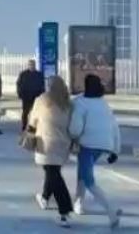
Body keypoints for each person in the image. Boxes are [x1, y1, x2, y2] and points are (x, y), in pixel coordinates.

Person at [69, 74, 122, 229]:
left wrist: (71, 136)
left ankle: (111, 211)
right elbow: (114, 126)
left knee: (89, 181)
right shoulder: (103, 103)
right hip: (105, 145)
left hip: (87, 146)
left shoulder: (80, 103)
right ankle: (78, 203)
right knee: (83, 173)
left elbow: (75, 129)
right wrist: (115, 150)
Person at [29, 76, 74, 227]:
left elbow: (33, 121)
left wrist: (29, 135)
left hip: (46, 143)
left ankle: (65, 211)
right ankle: (44, 197)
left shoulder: (42, 100)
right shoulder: (68, 103)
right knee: (52, 171)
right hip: (63, 143)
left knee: (53, 175)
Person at [17, 59, 45, 131]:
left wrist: (42, 95)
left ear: (35, 65)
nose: (32, 66)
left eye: (33, 65)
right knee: (25, 112)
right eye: (30, 65)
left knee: (35, 112)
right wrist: (20, 93)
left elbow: (42, 85)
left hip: (36, 97)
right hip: (26, 96)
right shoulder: (23, 74)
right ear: (28, 65)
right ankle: (24, 125)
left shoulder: (39, 74)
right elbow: (19, 84)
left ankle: (33, 126)